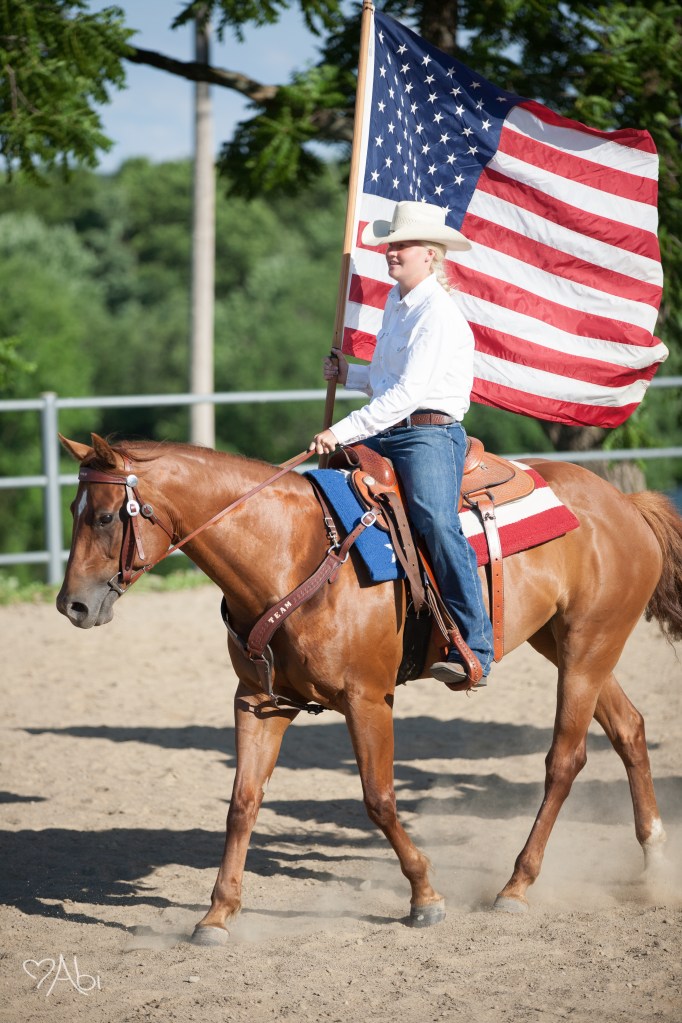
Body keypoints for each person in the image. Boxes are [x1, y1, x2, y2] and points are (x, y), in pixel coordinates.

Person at [309, 200, 494, 686]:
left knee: (435, 519)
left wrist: (340, 430)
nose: (391, 251)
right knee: (323, 495)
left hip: (429, 435)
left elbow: (411, 393)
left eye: (401, 245)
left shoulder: (439, 314)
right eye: (390, 244)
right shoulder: (398, 302)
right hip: (391, 429)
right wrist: (351, 374)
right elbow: (391, 381)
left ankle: (476, 645)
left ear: (429, 255)